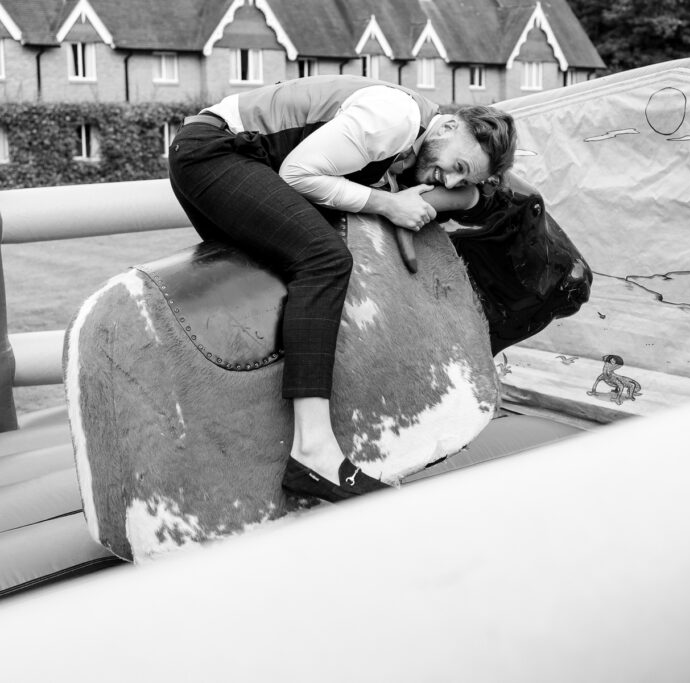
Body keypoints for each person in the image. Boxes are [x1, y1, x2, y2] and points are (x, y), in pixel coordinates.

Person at [168, 74, 517, 503]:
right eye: (457, 168)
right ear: (446, 127)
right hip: (216, 153)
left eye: (461, 180)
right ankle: (313, 452)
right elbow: (298, 174)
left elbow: (465, 198)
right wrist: (390, 203)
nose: (448, 182)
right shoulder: (395, 119)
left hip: (217, 155)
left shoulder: (416, 143)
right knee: (325, 260)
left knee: (280, 282)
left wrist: (461, 191)